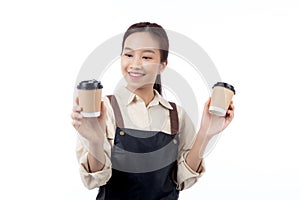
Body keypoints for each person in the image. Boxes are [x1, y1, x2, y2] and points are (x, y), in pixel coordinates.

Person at [71, 22, 235, 200]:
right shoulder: (103, 110)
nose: (135, 64)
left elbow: (182, 179)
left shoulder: (176, 115)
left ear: (162, 65)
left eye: (146, 57)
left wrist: (206, 132)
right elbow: (94, 180)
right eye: (128, 54)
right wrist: (95, 142)